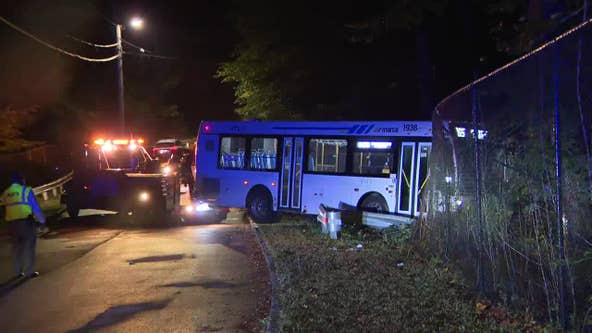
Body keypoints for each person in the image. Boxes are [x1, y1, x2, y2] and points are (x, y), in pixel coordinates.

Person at [0, 172, 46, 278]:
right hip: (26, 223)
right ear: (21, 180)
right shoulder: (26, 190)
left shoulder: (6, 193)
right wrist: (42, 221)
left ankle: (18, 272)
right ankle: (30, 271)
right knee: (29, 247)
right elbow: (35, 207)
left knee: (16, 248)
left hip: (12, 225)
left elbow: (4, 208)